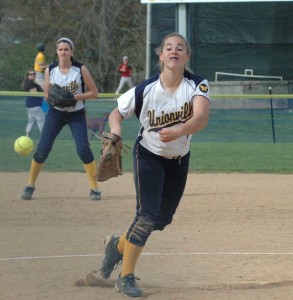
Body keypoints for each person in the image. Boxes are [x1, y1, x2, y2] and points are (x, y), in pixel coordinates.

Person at [98, 33, 211, 297]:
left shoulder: (197, 84)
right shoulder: (145, 88)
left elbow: (201, 117)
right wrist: (115, 131)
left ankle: (116, 246)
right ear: (161, 56)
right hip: (148, 155)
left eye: (180, 48)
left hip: (178, 160)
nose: (174, 51)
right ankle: (125, 278)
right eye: (168, 48)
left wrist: (179, 130)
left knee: (161, 219)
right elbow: (116, 113)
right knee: (146, 216)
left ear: (187, 56)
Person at [21, 37, 101, 201]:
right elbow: (46, 93)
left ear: (71, 51)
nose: (63, 52)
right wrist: (51, 97)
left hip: (76, 114)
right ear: (56, 52)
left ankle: (95, 188)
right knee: (42, 149)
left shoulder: (80, 69)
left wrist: (74, 97)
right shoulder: (50, 70)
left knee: (83, 149)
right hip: (55, 114)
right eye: (60, 49)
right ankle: (30, 185)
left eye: (66, 49)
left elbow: (94, 92)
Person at [23, 68, 45, 137]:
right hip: (35, 106)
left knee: (31, 120)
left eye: (34, 74)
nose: (33, 75)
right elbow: (35, 93)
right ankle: (44, 135)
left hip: (30, 105)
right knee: (41, 119)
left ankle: (27, 135)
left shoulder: (33, 82)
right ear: (28, 75)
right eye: (31, 74)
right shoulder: (30, 83)